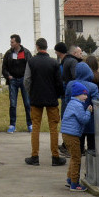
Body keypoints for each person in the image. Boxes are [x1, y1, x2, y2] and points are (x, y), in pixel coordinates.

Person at [24, 37, 66, 168]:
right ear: (46, 48)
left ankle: (35, 156)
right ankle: (55, 156)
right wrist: (58, 94)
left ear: (37, 47)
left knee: (35, 126)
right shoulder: (54, 63)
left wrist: (31, 92)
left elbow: (27, 80)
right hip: (51, 98)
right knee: (53, 128)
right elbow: (59, 82)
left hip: (36, 98)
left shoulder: (31, 61)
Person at [61, 81, 93, 192]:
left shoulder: (71, 103)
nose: (86, 97)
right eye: (84, 94)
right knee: (76, 158)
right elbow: (83, 119)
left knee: (73, 157)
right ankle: (75, 183)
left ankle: (70, 179)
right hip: (72, 135)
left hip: (67, 134)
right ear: (77, 95)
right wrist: (88, 111)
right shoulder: (78, 105)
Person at [65, 61, 99, 152]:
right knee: (92, 148)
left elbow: (67, 101)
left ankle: (77, 165)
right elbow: (96, 104)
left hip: (76, 121)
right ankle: (91, 165)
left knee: (77, 150)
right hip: (91, 121)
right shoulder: (93, 87)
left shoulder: (70, 85)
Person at [2, 33, 33, 133]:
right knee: (13, 104)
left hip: (23, 80)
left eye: (12, 42)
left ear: (18, 43)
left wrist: (27, 78)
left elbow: (31, 66)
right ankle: (12, 125)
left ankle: (30, 124)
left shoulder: (26, 53)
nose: (11, 43)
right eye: (10, 42)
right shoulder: (8, 54)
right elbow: (4, 68)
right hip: (13, 81)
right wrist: (8, 76)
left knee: (27, 103)